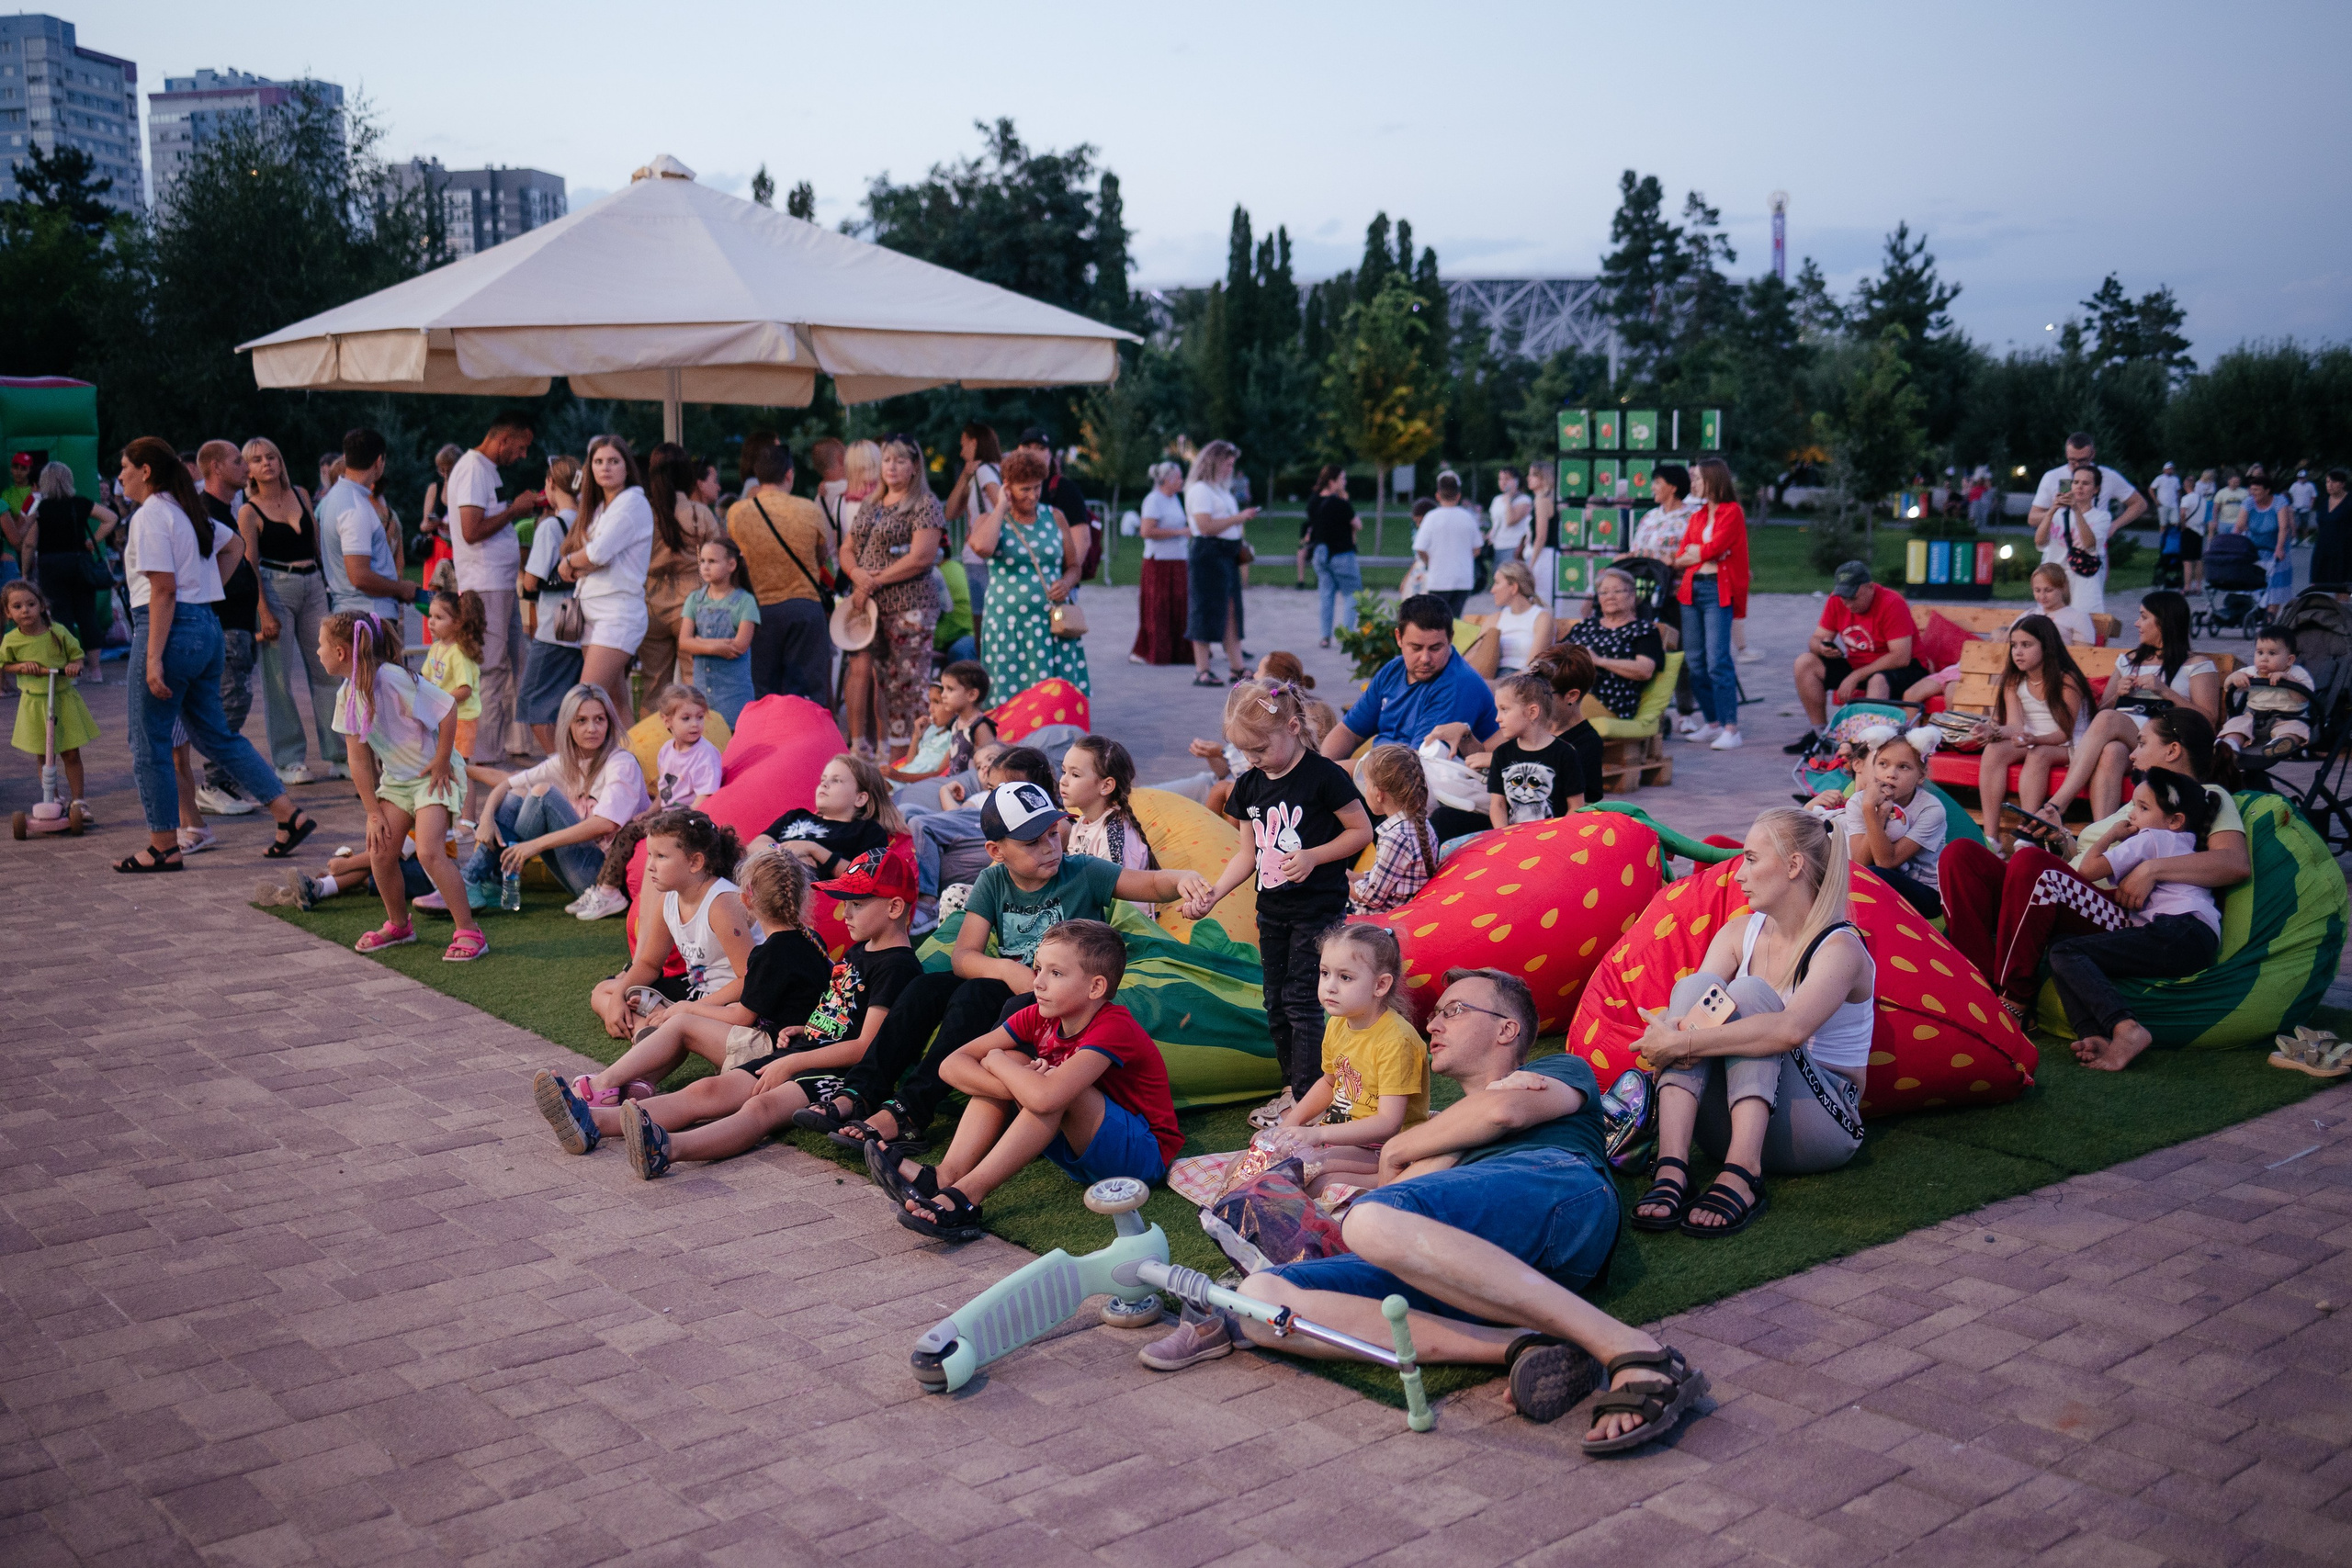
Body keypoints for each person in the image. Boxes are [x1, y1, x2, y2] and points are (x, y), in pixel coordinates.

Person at [1152, 965, 1706, 1447]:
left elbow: (1500, 1116)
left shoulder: (1558, 1071)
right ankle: (1524, 1345)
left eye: (1454, 1011)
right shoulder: (1447, 1133)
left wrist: (1397, 1150)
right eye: (1434, 1014)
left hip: (1559, 1194)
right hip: (1475, 1272)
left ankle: (1637, 1352)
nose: (1432, 1025)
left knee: (1371, 1219)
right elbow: (1395, 1191)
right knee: (1262, 1298)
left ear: (1507, 1029)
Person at [802, 781, 1207, 1154]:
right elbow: (964, 957)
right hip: (1015, 980)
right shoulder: (993, 881)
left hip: (1060, 991)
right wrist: (1006, 971)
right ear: (997, 851)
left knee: (976, 995)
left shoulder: (1083, 871)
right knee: (925, 989)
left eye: (1053, 833)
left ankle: (909, 1112)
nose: (1050, 847)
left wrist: (1183, 879)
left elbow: (1150, 884)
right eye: (1033, 841)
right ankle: (861, 1091)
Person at [565, 856, 924, 1178]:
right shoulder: (862, 950)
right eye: (846, 903)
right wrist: (806, 1027)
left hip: (839, 1075)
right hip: (802, 1051)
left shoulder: (898, 967)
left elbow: (866, 1046)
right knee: (708, 1088)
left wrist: (793, 1062)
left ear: (894, 907)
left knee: (760, 1108)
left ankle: (668, 1148)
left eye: (857, 904)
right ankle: (594, 1120)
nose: (845, 913)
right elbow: (845, 1013)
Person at [1630, 809, 1872, 1239]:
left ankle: (1743, 1176)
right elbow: (1690, 1011)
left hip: (1819, 1129)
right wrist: (1664, 1030)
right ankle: (1673, 1167)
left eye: (1751, 859)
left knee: (1749, 995)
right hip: (1732, 1119)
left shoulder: (1841, 949)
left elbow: (1789, 1031)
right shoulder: (1738, 931)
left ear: (1794, 866)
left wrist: (1679, 1044)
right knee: (1699, 986)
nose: (1738, 874)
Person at [1939, 708, 2249, 1021]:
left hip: (2112, 912)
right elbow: (2086, 861)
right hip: (2064, 892)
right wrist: (2060, 841)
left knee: (2029, 861)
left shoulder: (2205, 796)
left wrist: (2151, 870)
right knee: (1960, 854)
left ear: (2172, 750)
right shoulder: (2141, 802)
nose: (2132, 755)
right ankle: (1976, 985)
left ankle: (2015, 999)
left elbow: (2234, 862)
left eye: (2141, 743)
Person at [886, 919, 1182, 1240]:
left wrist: (998, 1060)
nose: (1037, 982)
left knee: (1041, 1081)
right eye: (1037, 968)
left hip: (1141, 1158)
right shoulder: (1037, 1015)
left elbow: (1045, 1098)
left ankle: (968, 1195)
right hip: (1083, 1152)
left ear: (1095, 987)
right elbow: (951, 1065)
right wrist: (1015, 1081)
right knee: (1020, 1067)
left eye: (1055, 973)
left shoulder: (1113, 1026)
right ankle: (947, 1175)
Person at [112, 439, 319, 874]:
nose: (120, 477)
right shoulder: (187, 508)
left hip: (168, 627)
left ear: (146, 471)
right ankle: (288, 813)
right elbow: (233, 549)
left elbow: (163, 589)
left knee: (148, 740)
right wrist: (208, 591)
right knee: (215, 736)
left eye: (125, 468)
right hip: (207, 625)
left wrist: (152, 659)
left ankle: (163, 845)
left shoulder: (151, 515)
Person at [537, 847, 825, 1144]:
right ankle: (609, 1101)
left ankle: (601, 1087)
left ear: (745, 900)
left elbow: (742, 1016)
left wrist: (688, 1008)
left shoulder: (771, 953)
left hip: (773, 1049)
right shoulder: (810, 940)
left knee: (682, 1027)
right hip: (790, 1045)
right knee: (693, 1067)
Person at [1190, 680, 1376, 1120]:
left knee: (1302, 999)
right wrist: (1215, 893)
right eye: (1244, 752)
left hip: (1318, 910)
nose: (1252, 760)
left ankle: (1308, 1097)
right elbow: (1247, 854)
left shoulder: (1324, 776)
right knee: (1274, 1000)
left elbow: (1361, 832)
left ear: (1292, 727)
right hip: (1271, 913)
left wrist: (1313, 856)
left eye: (1258, 749)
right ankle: (1294, 1087)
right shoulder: (1250, 785)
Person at [318, 610, 486, 961]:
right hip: (397, 782)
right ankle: (398, 925)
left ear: (340, 653)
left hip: (431, 775)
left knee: (428, 852)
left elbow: (447, 709)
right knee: (380, 853)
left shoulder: (393, 679)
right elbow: (358, 759)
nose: (317, 651)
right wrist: (372, 812)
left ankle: (469, 932)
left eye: (321, 645)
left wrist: (442, 761)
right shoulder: (347, 695)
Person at [2046, 771, 2222, 1072]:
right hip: (2192, 938)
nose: (2132, 814)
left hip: (2179, 930)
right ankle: (2094, 1036)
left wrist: (2111, 835)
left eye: (2143, 808)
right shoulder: (2185, 844)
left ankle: (2125, 1027)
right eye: (2133, 805)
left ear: (2175, 820)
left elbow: (2085, 871)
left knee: (2064, 952)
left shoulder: (2153, 838)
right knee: (2062, 947)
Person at [1257, 922, 1429, 1196]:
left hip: (1388, 1145)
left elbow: (1388, 1123)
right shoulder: (1339, 1023)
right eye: (1325, 973)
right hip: (1341, 1134)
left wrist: (1319, 1135)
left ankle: (1393, 1179)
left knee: (1315, 1181)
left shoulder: (1397, 1042)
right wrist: (1288, 1125)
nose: (1330, 987)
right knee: (1263, 1155)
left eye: (1345, 977)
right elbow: (1328, 1083)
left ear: (1381, 985)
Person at [2035, 591, 2221, 824]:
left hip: (2168, 742)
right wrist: (2117, 695)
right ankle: (2103, 833)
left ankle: (2056, 805)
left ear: (2164, 621)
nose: (2136, 623)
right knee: (2112, 751)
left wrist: (2165, 691)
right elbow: (2101, 710)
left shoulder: (2196, 664)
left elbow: (2208, 720)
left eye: (2143, 617)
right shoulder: (2129, 660)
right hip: (2131, 742)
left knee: (2107, 720)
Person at [463, 682, 649, 909]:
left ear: (610, 723)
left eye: (600, 719)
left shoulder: (621, 763)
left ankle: (478, 878)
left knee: (542, 794)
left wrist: (536, 845)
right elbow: (508, 783)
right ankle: (482, 878)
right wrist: (486, 818)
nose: (592, 728)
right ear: (568, 725)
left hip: (609, 882)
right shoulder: (566, 762)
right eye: (582, 721)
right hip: (580, 873)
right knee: (517, 795)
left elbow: (606, 823)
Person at [564, 682, 727, 922]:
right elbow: (666, 791)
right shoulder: (667, 751)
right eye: (686, 718)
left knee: (629, 832)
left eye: (700, 717)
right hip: (668, 814)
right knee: (628, 825)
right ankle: (601, 888)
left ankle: (609, 891)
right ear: (667, 721)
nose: (695, 724)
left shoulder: (705, 754)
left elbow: (705, 796)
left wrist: (681, 823)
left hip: (687, 818)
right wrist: (650, 811)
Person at [587, 810, 756, 1040]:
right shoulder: (669, 899)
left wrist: (688, 1008)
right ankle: (644, 1032)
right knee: (603, 991)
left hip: (727, 1001)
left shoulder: (721, 903)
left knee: (638, 999)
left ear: (695, 862)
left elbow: (748, 979)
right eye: (649, 855)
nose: (650, 866)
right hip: (696, 991)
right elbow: (648, 963)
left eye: (661, 856)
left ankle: (667, 1023)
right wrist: (618, 997)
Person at [239, 438, 345, 783]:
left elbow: (315, 544)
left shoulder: (300, 493)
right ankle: (288, 759)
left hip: (313, 582)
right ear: (249, 469)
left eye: (272, 456)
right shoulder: (248, 511)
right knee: (279, 678)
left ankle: (340, 752)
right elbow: (249, 565)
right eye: (257, 459)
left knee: (328, 669)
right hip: (274, 585)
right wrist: (263, 611)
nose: (267, 463)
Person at [444, 411, 539, 766]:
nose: (522, 455)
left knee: (517, 661)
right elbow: (471, 530)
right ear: (504, 440)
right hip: (484, 584)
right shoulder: (472, 468)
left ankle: (512, 742)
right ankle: (482, 752)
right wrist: (516, 510)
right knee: (493, 667)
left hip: (497, 583)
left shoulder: (485, 470)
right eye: (521, 447)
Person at [842, 434, 946, 750]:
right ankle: (887, 754)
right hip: (873, 609)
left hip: (910, 607)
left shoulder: (925, 503)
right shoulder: (871, 503)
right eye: (887, 459)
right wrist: (857, 574)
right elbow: (847, 547)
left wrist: (875, 580)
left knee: (908, 687)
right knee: (883, 684)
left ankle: (910, 757)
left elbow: (921, 557)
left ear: (915, 466)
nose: (892, 466)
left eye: (901, 460)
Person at [1320, 593, 1499, 763]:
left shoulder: (1459, 684)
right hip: (1380, 770)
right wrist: (1324, 767)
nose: (1425, 658)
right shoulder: (1393, 670)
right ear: (1399, 637)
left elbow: (1413, 765)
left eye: (1435, 648)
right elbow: (1348, 732)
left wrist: (1335, 775)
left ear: (1450, 638)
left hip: (1418, 778)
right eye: (1416, 647)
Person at [970, 444, 1086, 702]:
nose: (1033, 496)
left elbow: (1074, 566)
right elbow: (983, 547)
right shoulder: (990, 521)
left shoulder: (1054, 516)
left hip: (1051, 626)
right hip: (1008, 628)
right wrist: (1000, 507)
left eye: (1037, 487)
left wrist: (1066, 583)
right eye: (1025, 489)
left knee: (1053, 699)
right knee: (1010, 698)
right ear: (1007, 486)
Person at [189, 441, 266, 817]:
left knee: (235, 701)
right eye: (238, 461)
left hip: (238, 624)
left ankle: (222, 779)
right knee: (230, 703)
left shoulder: (226, 510)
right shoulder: (206, 513)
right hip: (223, 624)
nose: (246, 467)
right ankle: (213, 782)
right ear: (216, 468)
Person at [555, 435, 656, 713]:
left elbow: (598, 554)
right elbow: (593, 555)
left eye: (614, 461)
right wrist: (582, 559)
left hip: (618, 612)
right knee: (614, 701)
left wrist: (568, 562)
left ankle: (575, 758)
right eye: (598, 462)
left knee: (583, 699)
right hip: (592, 610)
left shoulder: (632, 502)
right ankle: (625, 756)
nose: (605, 467)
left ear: (627, 466)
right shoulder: (600, 508)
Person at [726, 444, 832, 705]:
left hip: (758, 610)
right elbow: (822, 556)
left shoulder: (737, 513)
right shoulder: (810, 509)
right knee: (807, 692)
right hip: (804, 607)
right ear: (789, 474)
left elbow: (733, 556)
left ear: (758, 476)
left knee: (763, 692)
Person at [1973, 615, 2094, 838]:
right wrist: (1993, 731)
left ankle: (2028, 829)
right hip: (2033, 740)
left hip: (2071, 745)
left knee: (2039, 754)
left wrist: (2034, 740)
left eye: (2026, 645)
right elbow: (2016, 726)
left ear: (2047, 646)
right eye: (2014, 645)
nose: (2018, 652)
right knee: (1993, 750)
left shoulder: (2066, 680)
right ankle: (1991, 838)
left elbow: (2063, 733)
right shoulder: (2014, 680)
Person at [1807, 729, 1945, 917]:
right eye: (1883, 764)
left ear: (1921, 775)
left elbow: (1886, 862)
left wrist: (1871, 814)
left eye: (1904, 767)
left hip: (1923, 893)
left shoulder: (1931, 810)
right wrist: (1873, 811)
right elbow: (1859, 863)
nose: (1891, 774)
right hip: (1873, 878)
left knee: (1874, 876)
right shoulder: (1859, 801)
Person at [1789, 562, 1920, 752]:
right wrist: (1821, 647)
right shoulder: (1837, 600)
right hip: (1859, 665)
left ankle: (1865, 747)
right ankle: (1821, 735)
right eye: (1843, 597)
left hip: (1904, 669)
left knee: (1877, 680)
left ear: (1870, 586)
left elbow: (1901, 657)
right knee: (1805, 662)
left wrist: (1856, 676)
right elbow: (1815, 638)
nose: (1848, 604)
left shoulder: (1892, 602)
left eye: (1853, 597)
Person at [11, 460, 116, 692]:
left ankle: (72, 670)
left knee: (60, 617)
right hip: (80, 563)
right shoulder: (79, 504)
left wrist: (26, 572)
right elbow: (110, 518)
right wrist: (93, 540)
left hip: (51, 566)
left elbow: (29, 543)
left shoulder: (40, 508)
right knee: (87, 613)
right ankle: (96, 670)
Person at [1672, 457, 1749, 750]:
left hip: (1719, 590)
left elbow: (1715, 548)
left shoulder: (1733, 512)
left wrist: (1701, 552)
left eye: (1697, 478)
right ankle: (1713, 722)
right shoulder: (1698, 516)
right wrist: (1701, 553)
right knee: (1695, 661)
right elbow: (1680, 556)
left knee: (1718, 660)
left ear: (1713, 480)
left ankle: (1732, 728)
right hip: (1692, 590)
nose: (1692, 484)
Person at [635, 441, 719, 704]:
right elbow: (717, 559)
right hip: (692, 604)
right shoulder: (700, 513)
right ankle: (700, 740)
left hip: (651, 604)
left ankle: (651, 743)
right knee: (697, 682)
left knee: (654, 687)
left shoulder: (642, 514)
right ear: (687, 476)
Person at [3, 580, 96, 814]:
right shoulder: (11, 640)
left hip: (62, 698)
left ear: (42, 605)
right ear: (8, 612)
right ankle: (52, 797)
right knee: (43, 753)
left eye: (31, 604)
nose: (25, 610)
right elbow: (5, 664)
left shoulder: (58, 632)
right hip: (34, 702)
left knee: (71, 752)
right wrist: (23, 666)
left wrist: (75, 666)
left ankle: (79, 800)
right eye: (17, 606)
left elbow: (77, 655)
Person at [318, 428, 424, 632]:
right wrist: (401, 588)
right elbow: (360, 576)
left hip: (350, 612)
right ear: (379, 462)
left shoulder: (333, 498)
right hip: (370, 617)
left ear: (346, 457)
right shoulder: (355, 507)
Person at [518, 455, 586, 753]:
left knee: (532, 705)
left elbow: (531, 582)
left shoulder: (550, 528)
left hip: (552, 627)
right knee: (566, 707)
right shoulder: (589, 525)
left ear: (551, 483)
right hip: (581, 627)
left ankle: (559, 765)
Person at [746, 751, 905, 878]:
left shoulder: (866, 830)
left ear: (860, 798)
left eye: (836, 780)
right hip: (769, 877)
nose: (824, 784)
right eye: (823, 779)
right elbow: (753, 847)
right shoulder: (796, 816)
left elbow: (866, 877)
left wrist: (815, 851)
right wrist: (786, 853)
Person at [1180, 440, 1256, 686]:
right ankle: (1201, 669)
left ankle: (1237, 666)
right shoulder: (1200, 489)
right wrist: (1239, 517)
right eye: (1227, 463)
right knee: (1204, 608)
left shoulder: (1220, 489)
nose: (1230, 469)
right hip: (1208, 553)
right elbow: (1205, 526)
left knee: (1232, 609)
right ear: (1214, 461)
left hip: (1227, 552)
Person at [418, 587, 489, 814]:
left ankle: (468, 818)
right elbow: (426, 678)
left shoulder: (459, 653)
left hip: (462, 719)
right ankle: (448, 813)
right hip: (442, 718)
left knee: (460, 769)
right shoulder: (436, 648)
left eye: (439, 618)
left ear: (457, 622)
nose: (431, 622)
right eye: (430, 616)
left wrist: (439, 699)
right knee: (443, 766)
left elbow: (465, 689)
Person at [1486, 671, 1586, 828]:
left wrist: (1555, 835)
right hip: (1512, 838)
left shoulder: (1565, 754)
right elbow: (1497, 805)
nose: (1497, 718)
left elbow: (1576, 806)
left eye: (1504, 709)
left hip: (1553, 837)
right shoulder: (1501, 754)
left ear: (1532, 712)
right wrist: (1503, 835)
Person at [1349, 743, 1439, 916]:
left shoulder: (1395, 837)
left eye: (1367, 784)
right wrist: (1353, 877)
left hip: (1380, 918)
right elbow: (1393, 880)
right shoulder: (1421, 823)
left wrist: (1339, 883)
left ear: (1379, 793)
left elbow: (1372, 898)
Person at [1059, 735, 1156, 897]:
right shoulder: (1083, 822)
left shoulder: (1114, 836)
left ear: (1106, 786)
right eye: (1063, 771)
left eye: (1075, 775)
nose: (1063, 781)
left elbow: (1118, 903)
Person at [679, 537, 760, 725]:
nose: (705, 567)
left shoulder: (745, 602)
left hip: (734, 694)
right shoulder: (694, 599)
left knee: (733, 737)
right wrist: (717, 647)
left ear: (731, 565)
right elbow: (684, 642)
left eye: (712, 561)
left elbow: (739, 646)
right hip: (701, 694)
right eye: (702, 561)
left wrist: (698, 643)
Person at [1566, 567, 1664, 719]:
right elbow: (1557, 653)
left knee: (1547, 705)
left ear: (1632, 596)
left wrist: (1599, 661)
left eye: (1617, 591)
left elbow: (1644, 670)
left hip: (1610, 701)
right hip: (1571, 690)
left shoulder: (1643, 630)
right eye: (1604, 592)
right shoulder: (1586, 626)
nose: (1610, 596)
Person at [1125, 459, 1192, 665]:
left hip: (1179, 558)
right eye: (1179, 477)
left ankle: (1180, 651)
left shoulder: (1174, 500)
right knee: (1159, 606)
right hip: (1159, 561)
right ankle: (1153, 650)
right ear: (1167, 480)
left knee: (1180, 605)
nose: (1182, 481)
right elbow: (1146, 531)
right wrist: (1180, 532)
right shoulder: (1153, 500)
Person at [2026, 433, 2147, 545]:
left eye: (2082, 460)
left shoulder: (2107, 476)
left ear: (2092, 454)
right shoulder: (2052, 477)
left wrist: (2114, 526)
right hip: (2058, 551)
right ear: (2066, 454)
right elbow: (2032, 519)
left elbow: (2139, 504)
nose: (2077, 465)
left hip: (2092, 553)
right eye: (2072, 460)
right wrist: (2055, 512)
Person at [1014, 426, 1098, 586]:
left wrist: (1065, 580)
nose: (1032, 453)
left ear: (1049, 455)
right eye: (1027, 447)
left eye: (1040, 448)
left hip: (1054, 583)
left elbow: (1082, 539)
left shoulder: (1063, 489)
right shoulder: (1008, 489)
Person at [2218, 626, 2315, 760]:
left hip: (2289, 718)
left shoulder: (2297, 674)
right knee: (2237, 724)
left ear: (2289, 660)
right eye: (2260, 652)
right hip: (2255, 718)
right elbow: (2228, 685)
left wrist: (2288, 680)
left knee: (2298, 729)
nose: (2264, 658)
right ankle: (2230, 745)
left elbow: (2304, 698)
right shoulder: (2250, 672)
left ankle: (2280, 744)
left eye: (2272, 653)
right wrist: (2235, 678)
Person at [944, 421, 1003, 625]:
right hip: (997, 551)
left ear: (974, 443)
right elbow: (951, 511)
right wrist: (965, 475)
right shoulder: (996, 470)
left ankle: (983, 657)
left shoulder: (983, 472)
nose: (961, 452)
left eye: (963, 445)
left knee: (980, 619)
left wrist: (984, 525)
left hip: (979, 555)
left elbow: (1001, 504)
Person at [2036, 465, 2114, 617]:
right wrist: (2052, 510)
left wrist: (2076, 510)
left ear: (2096, 489)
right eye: (2076, 482)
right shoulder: (2058, 515)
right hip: (2054, 578)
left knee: (2085, 623)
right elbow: (2040, 542)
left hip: (2083, 581)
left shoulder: (2101, 517)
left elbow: (2089, 544)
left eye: (2085, 484)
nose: (2079, 487)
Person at [1302, 464, 1362, 649]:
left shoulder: (1313, 501)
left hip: (1320, 553)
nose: (1345, 482)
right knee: (1353, 594)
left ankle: (1325, 636)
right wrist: (1345, 500)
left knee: (1326, 595)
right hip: (1341, 553)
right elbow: (1357, 525)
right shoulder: (1340, 503)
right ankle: (1345, 636)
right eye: (1342, 479)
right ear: (1332, 481)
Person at [1413, 471, 1482, 617]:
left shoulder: (1432, 518)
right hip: (1462, 579)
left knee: (1437, 619)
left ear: (1438, 495)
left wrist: (1428, 561)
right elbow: (1477, 548)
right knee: (1455, 619)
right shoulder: (1468, 517)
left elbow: (1420, 547)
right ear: (1458, 495)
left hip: (1439, 579)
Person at [2239, 468, 2297, 609]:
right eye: (2251, 490)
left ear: (2267, 490)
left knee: (2275, 587)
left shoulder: (2279, 502)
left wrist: (2279, 548)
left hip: (2276, 548)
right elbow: (2239, 525)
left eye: (2257, 490)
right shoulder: (2249, 502)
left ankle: (2270, 618)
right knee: (2253, 582)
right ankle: (2254, 611)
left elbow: (2283, 527)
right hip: (2255, 547)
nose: (2253, 493)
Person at [1485, 562, 1553, 677]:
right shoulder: (1495, 618)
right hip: (1493, 677)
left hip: (1524, 681)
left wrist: (1499, 684)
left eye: (1497, 583)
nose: (1492, 590)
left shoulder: (1541, 618)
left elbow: (1533, 667)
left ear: (1513, 587)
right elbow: (1477, 656)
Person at [416, 442, 461, 588]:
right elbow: (424, 525)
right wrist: (436, 523)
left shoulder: (465, 489)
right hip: (436, 549)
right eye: (442, 470)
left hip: (458, 548)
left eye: (449, 470)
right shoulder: (435, 488)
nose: (446, 475)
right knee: (432, 597)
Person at [2310, 468, 2352, 595]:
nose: (2330, 485)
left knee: (2342, 588)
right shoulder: (2323, 501)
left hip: (2344, 550)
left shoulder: (2349, 502)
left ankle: (2343, 614)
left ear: (2342, 484)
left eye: (2334, 482)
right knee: (2319, 588)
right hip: (2323, 549)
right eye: (2328, 482)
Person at [1487, 466, 1533, 570]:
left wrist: (1508, 499)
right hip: (1497, 546)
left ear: (1516, 481)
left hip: (1513, 546)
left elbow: (1510, 520)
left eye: (1507, 479)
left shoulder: (1523, 500)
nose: (1503, 482)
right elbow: (1496, 522)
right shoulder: (1497, 500)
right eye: (1501, 479)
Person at [2181, 468, 2216, 591]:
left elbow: (2183, 513)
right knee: (2198, 559)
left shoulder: (2186, 498)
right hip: (2200, 531)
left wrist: (2183, 525)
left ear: (2185, 485)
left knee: (2187, 561)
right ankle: (2198, 587)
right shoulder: (2203, 500)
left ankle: (2187, 587)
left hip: (2189, 529)